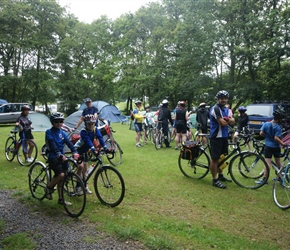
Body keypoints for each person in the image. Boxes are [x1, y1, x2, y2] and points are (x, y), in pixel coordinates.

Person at [45, 112, 80, 205]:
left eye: (61, 121)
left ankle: (61, 199)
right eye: (56, 121)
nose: (59, 123)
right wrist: (58, 154)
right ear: (52, 122)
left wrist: (75, 151)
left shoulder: (62, 132)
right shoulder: (49, 132)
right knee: (61, 175)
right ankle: (49, 187)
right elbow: (52, 144)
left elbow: (69, 143)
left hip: (62, 156)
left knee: (63, 178)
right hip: (53, 156)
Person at [75, 114, 109, 194]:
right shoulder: (83, 131)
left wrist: (104, 146)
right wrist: (93, 148)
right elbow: (87, 141)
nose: (91, 126)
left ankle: (85, 186)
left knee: (86, 171)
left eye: (93, 124)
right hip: (79, 150)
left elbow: (100, 137)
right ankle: (78, 186)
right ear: (85, 124)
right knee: (80, 167)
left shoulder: (95, 129)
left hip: (86, 151)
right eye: (89, 124)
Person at [209, 90, 235, 189]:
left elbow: (233, 120)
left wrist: (227, 120)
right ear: (218, 99)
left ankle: (220, 175)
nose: (223, 100)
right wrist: (228, 120)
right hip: (216, 137)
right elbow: (222, 123)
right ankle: (214, 179)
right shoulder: (215, 109)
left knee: (222, 157)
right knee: (215, 159)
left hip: (224, 136)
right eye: (221, 98)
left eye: (225, 98)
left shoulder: (226, 109)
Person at [255, 109, 286, 184]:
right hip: (276, 147)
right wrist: (283, 144)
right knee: (278, 162)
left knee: (267, 163)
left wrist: (267, 137)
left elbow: (261, 133)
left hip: (268, 146)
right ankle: (281, 178)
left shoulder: (266, 124)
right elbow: (276, 138)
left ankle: (264, 179)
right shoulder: (278, 127)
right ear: (279, 119)